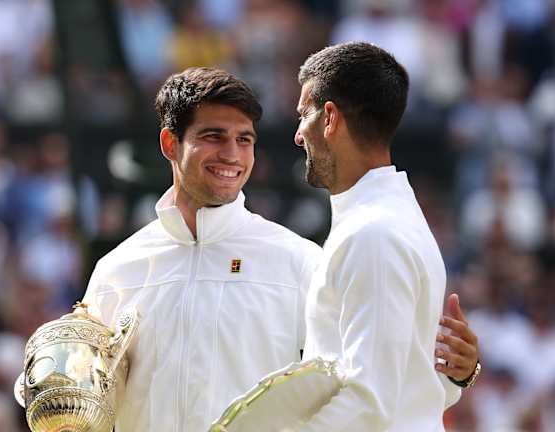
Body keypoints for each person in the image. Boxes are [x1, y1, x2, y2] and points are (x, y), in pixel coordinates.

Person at [81, 67, 478, 431]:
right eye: (213, 136)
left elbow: (378, 387)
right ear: (170, 143)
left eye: (244, 140)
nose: (232, 155)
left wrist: (454, 373)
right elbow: (85, 403)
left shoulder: (302, 262)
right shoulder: (115, 271)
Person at [290, 42, 475, 431]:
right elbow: (413, 387)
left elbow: (368, 403)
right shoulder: (386, 220)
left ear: (329, 118)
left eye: (303, 114)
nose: (297, 135)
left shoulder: (372, 234)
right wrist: (457, 373)